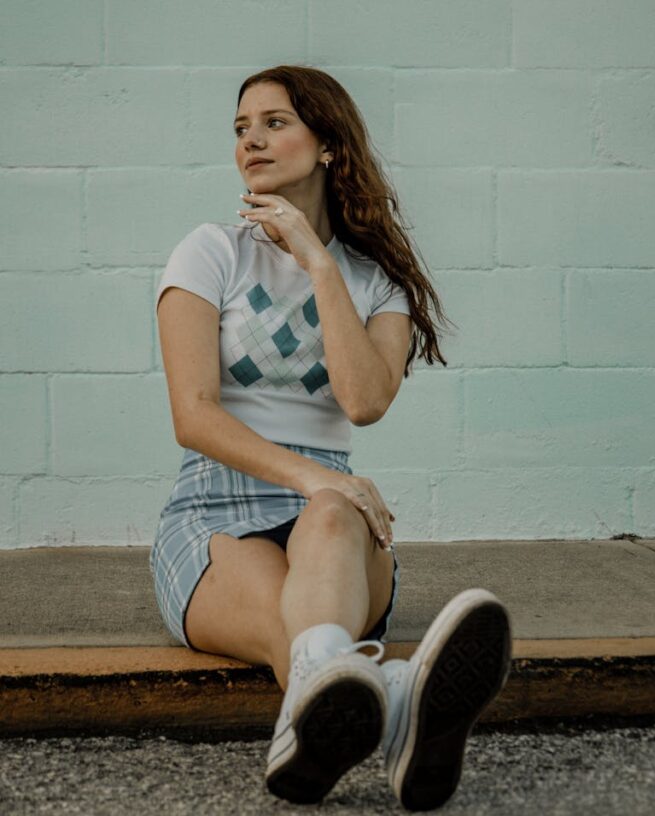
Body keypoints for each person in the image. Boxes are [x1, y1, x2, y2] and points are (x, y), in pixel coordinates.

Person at [149, 64, 512, 810]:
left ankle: (328, 713)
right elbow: (194, 414)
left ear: (328, 148)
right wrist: (316, 477)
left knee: (326, 542)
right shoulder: (208, 251)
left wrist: (318, 263)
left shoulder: (375, 283)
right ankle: (403, 697)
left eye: (275, 122)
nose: (251, 139)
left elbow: (364, 399)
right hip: (214, 514)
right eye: (241, 127)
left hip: (337, 522)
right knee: (314, 638)